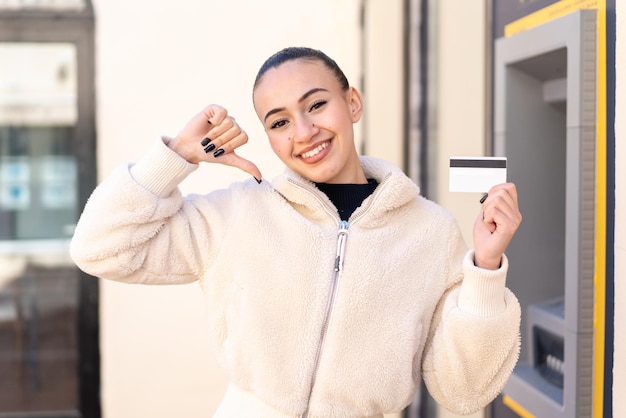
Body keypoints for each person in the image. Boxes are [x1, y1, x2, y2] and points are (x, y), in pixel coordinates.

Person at [70, 47, 522, 418]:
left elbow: (465, 393)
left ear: (353, 103)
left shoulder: (431, 232)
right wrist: (177, 157)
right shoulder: (239, 213)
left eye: (317, 104)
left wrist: (485, 269)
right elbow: (99, 248)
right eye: (280, 121)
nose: (304, 132)